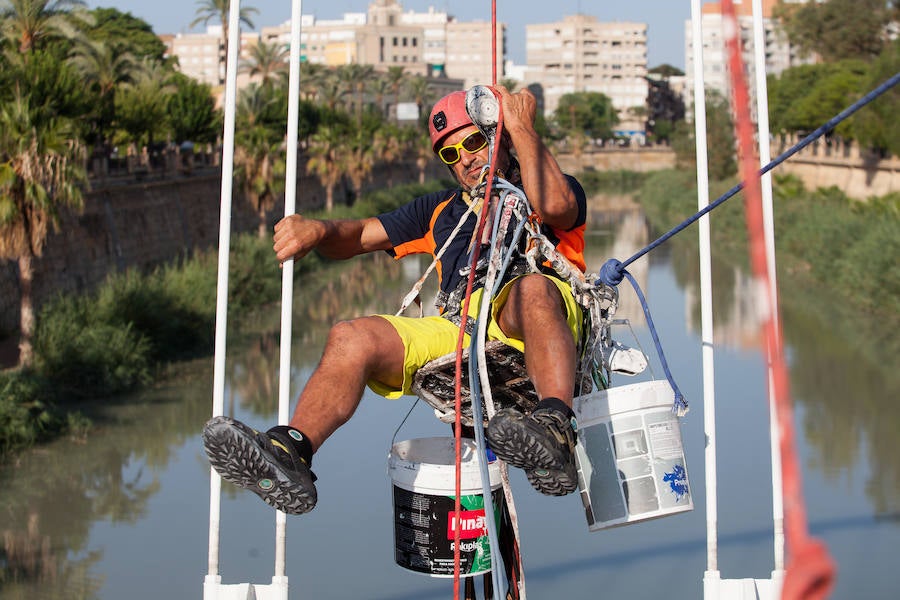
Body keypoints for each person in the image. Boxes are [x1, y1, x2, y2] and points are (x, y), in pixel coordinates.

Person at [202, 86, 589, 515]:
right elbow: (360, 236)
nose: (464, 158)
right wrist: (319, 231)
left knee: (531, 289)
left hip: (535, 312)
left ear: (498, 138)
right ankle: (291, 451)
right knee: (351, 337)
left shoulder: (547, 186)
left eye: (474, 142)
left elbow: (556, 206)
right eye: (450, 154)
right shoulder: (439, 210)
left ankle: (555, 427)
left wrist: (519, 125)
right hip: (461, 326)